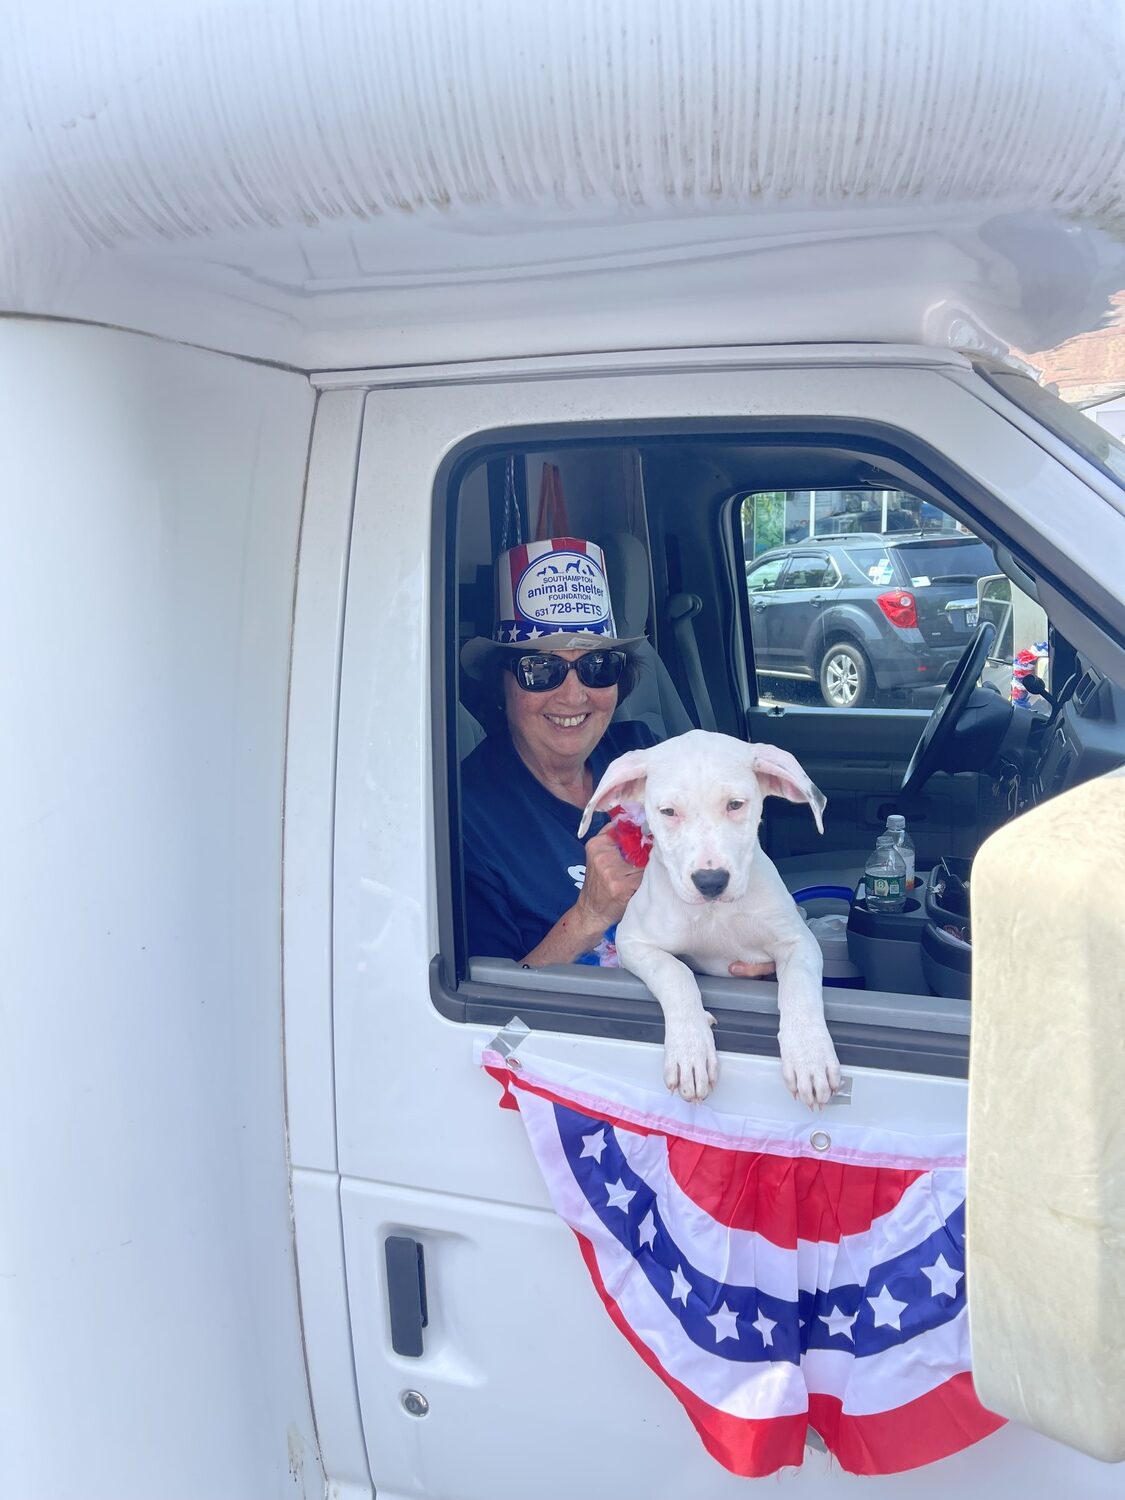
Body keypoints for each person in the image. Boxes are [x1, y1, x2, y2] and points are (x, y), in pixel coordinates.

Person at [460, 536, 773, 978]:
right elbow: (484, 1012)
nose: (573, 695)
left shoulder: (643, 757)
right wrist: (589, 915)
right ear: (502, 683)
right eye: (540, 669)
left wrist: (755, 956)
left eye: (597, 667)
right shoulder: (468, 818)